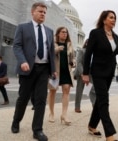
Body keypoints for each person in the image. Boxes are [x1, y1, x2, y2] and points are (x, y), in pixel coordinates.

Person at [82, 10, 118, 141]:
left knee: (100, 101)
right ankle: (109, 135)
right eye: (111, 17)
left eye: (114, 18)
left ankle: (92, 126)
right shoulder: (95, 33)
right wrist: (85, 73)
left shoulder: (115, 37)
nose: (113, 20)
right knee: (104, 101)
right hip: (97, 72)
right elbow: (88, 54)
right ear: (104, 20)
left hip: (109, 73)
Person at [11, 2, 56, 141]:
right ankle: (16, 121)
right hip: (28, 68)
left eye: (44, 12)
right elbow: (17, 46)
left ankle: (37, 130)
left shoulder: (49, 31)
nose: (43, 14)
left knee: (41, 100)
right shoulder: (23, 28)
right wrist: (22, 61)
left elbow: (51, 51)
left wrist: (53, 70)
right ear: (33, 12)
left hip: (43, 69)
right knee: (23, 98)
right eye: (40, 11)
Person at [47, 26, 75, 124]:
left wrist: (73, 62)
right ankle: (51, 113)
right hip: (55, 71)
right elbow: (48, 54)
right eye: (63, 32)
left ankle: (64, 114)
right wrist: (57, 49)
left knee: (66, 90)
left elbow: (73, 57)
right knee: (52, 91)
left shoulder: (70, 45)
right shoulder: (53, 43)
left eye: (66, 32)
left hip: (66, 71)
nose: (65, 34)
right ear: (58, 33)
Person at [74, 39, 96, 113]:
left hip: (91, 73)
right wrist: (82, 73)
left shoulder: (94, 52)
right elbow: (79, 63)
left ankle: (94, 105)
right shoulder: (82, 51)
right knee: (79, 90)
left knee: (91, 89)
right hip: (81, 73)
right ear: (86, 43)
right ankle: (77, 107)